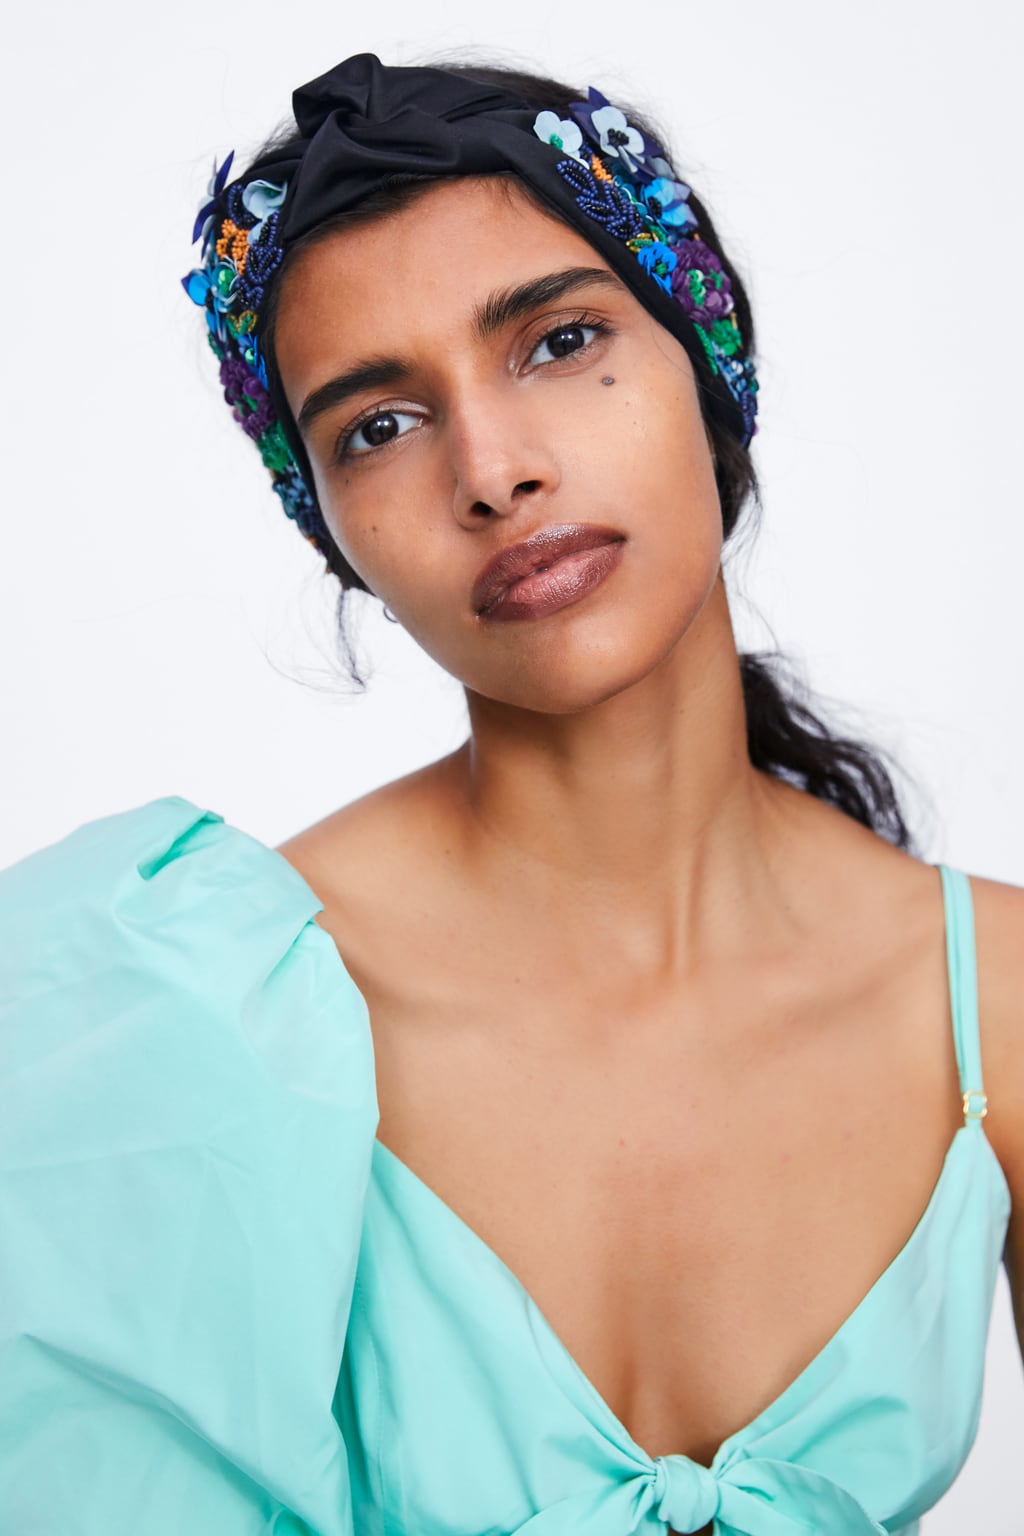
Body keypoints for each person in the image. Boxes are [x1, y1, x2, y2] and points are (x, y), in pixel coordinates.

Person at [0, 50, 1021, 1536]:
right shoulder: (193, 1004)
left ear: (707, 361)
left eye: (559, 340)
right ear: (331, 528)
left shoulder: (997, 1002)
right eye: (378, 425)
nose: (491, 472)